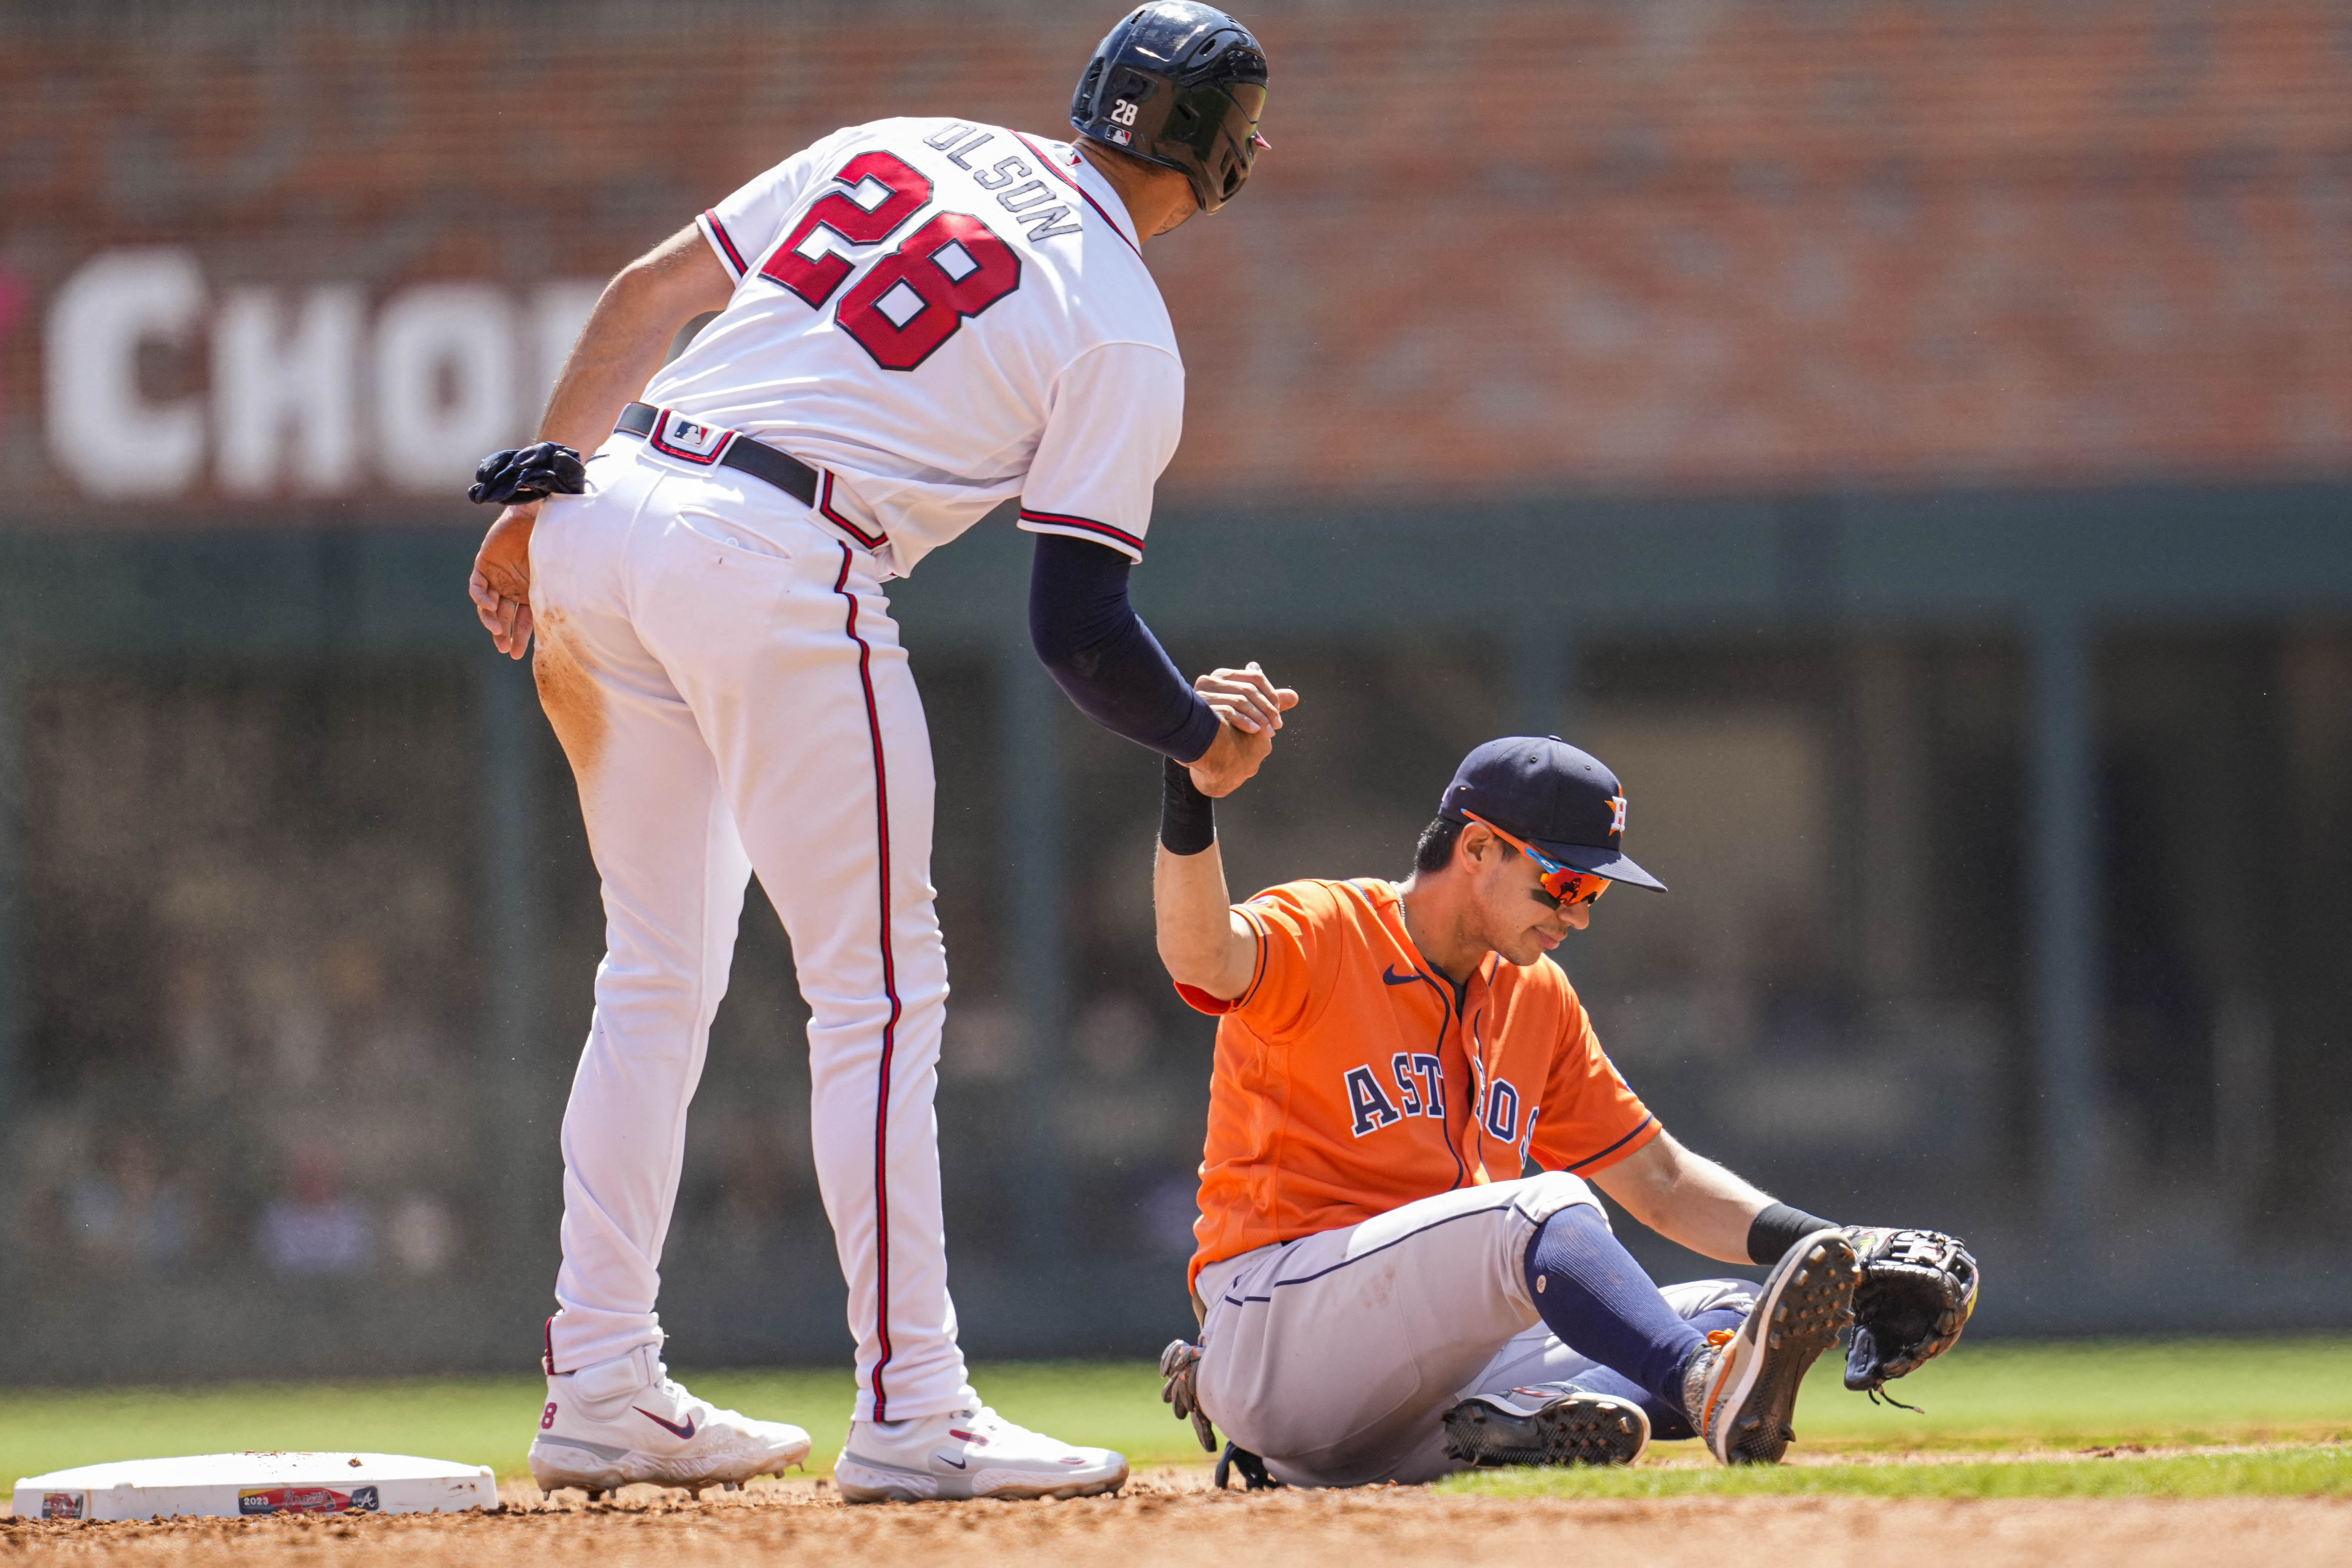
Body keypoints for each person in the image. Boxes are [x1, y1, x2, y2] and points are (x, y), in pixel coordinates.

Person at [463, 3, 1287, 1504]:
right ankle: (915, 1404)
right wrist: (1202, 734)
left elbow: (655, 291)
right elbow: (1081, 627)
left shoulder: (921, 140)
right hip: (778, 558)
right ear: (1225, 163)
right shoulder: (1121, 321)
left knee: (654, 971)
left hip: (616, 498)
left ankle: (597, 1380)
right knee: (882, 995)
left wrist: (534, 499)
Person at [1151, 732, 1978, 1486]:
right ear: (1477, 846)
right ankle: (1704, 1387)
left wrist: (1843, 1249)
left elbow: (1660, 1180)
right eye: (1565, 882)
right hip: (1277, 1332)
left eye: (1595, 891)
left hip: (1417, 1393)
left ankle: (1514, 1428)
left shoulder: (1534, 995)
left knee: (1737, 1312)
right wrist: (1192, 792)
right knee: (1547, 1208)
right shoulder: (1326, 929)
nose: (1578, 913)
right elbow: (1201, 954)